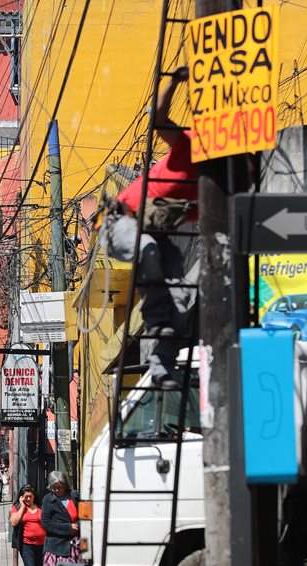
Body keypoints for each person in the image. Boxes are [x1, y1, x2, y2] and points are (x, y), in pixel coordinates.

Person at [99, 67, 197, 389]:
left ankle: (161, 368)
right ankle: (156, 320)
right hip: (120, 223)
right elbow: (158, 118)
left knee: (182, 302)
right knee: (147, 249)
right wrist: (173, 82)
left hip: (158, 236)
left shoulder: (217, 188)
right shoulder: (189, 145)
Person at [40, 470, 82, 566]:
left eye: (60, 486)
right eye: (54, 487)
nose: (57, 489)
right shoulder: (48, 500)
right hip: (55, 545)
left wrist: (78, 525)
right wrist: (68, 528)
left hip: (74, 544)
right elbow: (46, 523)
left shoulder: (75, 497)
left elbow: (86, 515)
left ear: (65, 486)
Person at [9, 484, 45, 566]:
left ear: (34, 496)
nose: (28, 499)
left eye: (30, 497)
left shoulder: (41, 508)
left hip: (41, 545)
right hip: (26, 545)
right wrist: (23, 507)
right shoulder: (18, 507)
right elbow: (14, 522)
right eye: (26, 497)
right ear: (21, 497)